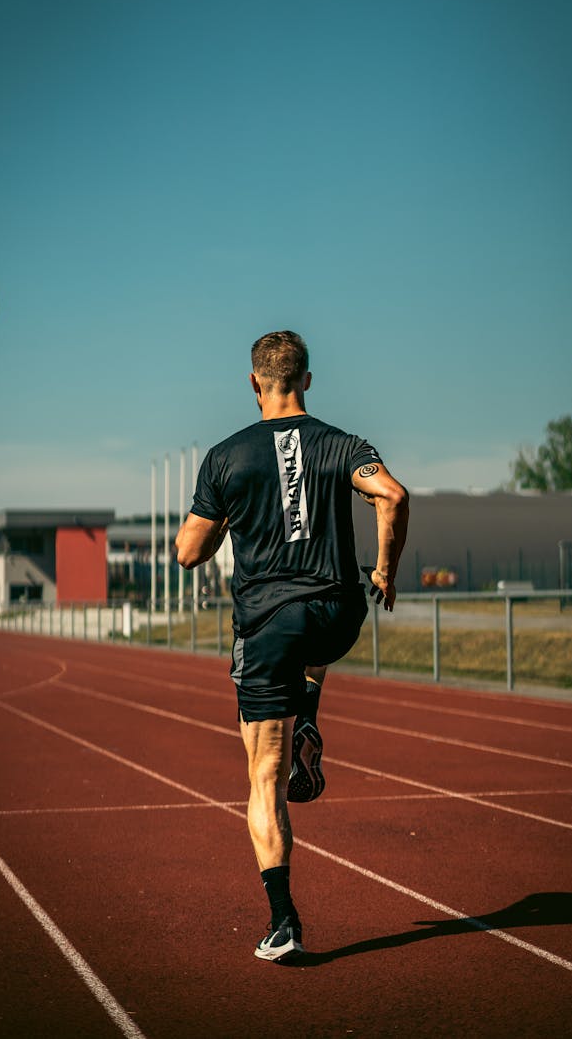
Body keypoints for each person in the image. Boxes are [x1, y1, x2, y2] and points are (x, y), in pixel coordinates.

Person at [175, 330, 409, 962]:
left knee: (264, 776)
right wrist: (386, 569)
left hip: (268, 628)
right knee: (313, 632)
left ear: (255, 383)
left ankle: (283, 922)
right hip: (339, 614)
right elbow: (392, 495)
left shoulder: (227, 458)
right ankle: (307, 701)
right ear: (307, 377)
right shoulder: (342, 444)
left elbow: (187, 553)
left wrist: (226, 516)